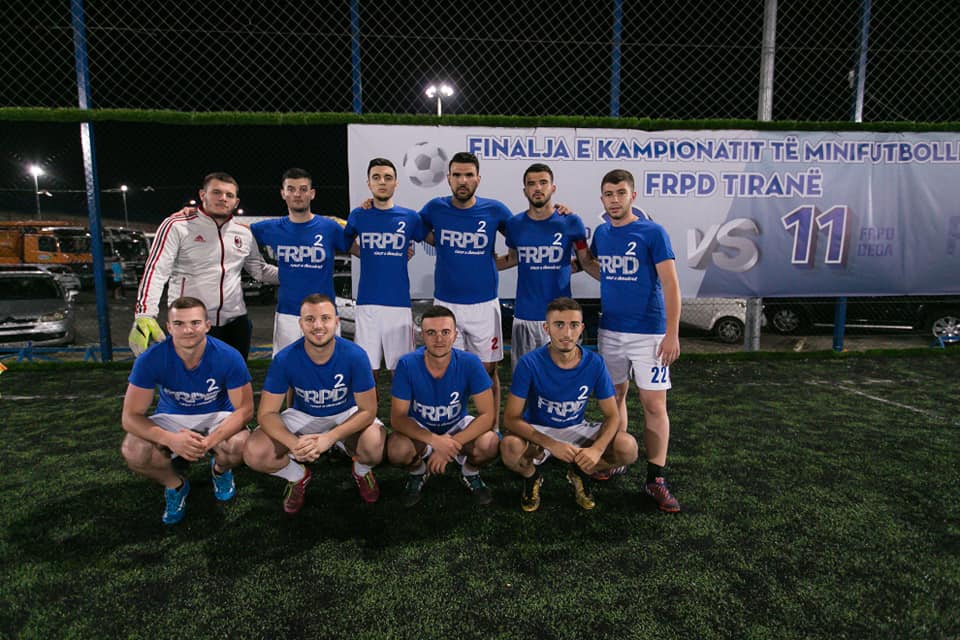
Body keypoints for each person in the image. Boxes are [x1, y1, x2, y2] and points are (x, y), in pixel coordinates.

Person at [580, 169, 683, 513]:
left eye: (620, 193)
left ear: (633, 196)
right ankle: (618, 457)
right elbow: (601, 270)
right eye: (608, 194)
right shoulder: (603, 235)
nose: (614, 200)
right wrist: (582, 257)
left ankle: (656, 478)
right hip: (611, 330)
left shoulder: (652, 232)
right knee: (616, 397)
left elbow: (670, 284)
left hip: (650, 333)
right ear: (602, 199)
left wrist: (672, 333)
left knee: (654, 405)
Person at [243, 294, 385, 512]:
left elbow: (368, 409)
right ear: (301, 324)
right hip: (304, 416)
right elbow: (267, 413)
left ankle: (362, 470)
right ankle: (298, 476)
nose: (318, 325)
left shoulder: (355, 355)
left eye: (325, 318)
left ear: (337, 322)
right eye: (310, 319)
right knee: (254, 452)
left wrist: (330, 438)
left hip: (344, 413)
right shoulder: (285, 358)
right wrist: (293, 443)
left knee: (374, 444)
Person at [120, 296, 253, 525]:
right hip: (172, 416)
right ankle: (176, 485)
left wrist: (210, 441)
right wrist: (170, 439)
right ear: (169, 327)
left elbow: (245, 410)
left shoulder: (229, 356)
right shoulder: (150, 359)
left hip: (217, 414)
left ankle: (220, 470)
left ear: (207, 325)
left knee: (241, 444)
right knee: (134, 450)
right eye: (179, 324)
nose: (188, 330)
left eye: (195, 323)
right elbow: (130, 417)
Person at [501, 297, 638, 511]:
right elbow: (510, 418)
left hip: (575, 427)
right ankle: (532, 477)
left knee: (628, 448)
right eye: (559, 325)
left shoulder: (595, 362)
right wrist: (550, 443)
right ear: (547, 328)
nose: (566, 333)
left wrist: (596, 449)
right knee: (510, 448)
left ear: (581, 328)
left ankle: (580, 471)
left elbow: (613, 416)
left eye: (573, 325)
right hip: (539, 428)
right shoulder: (530, 363)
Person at [130, 172, 278, 360]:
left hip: (236, 324)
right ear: (202, 195)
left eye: (229, 195)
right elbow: (156, 271)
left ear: (236, 202)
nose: (223, 198)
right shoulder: (177, 226)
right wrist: (145, 314)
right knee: (192, 386)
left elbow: (259, 270)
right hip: (191, 325)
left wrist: (298, 274)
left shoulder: (243, 233)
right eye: (216, 192)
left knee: (235, 383)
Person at [419, 152, 512, 426]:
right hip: (447, 306)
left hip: (484, 305)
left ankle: (491, 428)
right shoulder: (434, 208)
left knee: (487, 370)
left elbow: (525, 233)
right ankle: (450, 424)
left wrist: (499, 263)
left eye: (469, 175)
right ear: (448, 179)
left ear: (478, 179)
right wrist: (439, 242)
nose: (463, 180)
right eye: (457, 175)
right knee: (448, 368)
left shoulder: (495, 210)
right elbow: (414, 229)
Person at [386, 305, 499, 507]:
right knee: (396, 449)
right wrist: (435, 441)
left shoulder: (470, 362)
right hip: (421, 428)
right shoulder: (407, 363)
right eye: (431, 333)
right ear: (422, 336)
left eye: (445, 332)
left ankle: (470, 472)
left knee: (489, 443)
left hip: (456, 424)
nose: (439, 339)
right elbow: (398, 418)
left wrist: (451, 444)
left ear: (455, 335)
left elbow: (487, 415)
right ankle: (418, 472)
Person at [495, 163, 592, 371]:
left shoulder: (571, 222)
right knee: (525, 381)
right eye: (531, 184)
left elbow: (586, 261)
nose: (537, 188)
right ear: (525, 191)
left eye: (543, 183)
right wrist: (475, 261)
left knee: (563, 378)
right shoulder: (514, 224)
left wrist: (566, 267)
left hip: (562, 317)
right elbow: (512, 258)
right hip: (525, 317)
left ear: (553, 188)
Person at [250, 168, 350, 356]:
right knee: (287, 371)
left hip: (325, 314)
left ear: (312, 194)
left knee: (329, 368)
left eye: (303, 189)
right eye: (291, 189)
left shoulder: (329, 227)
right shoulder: (271, 228)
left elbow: (361, 249)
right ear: (283, 193)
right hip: (288, 313)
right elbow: (234, 231)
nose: (297, 194)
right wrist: (200, 214)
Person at [344, 158, 424, 382]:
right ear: (368, 183)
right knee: (368, 369)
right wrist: (366, 253)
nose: (382, 182)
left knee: (401, 369)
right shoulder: (359, 215)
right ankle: (370, 417)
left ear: (396, 183)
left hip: (397, 303)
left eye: (388, 178)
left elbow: (426, 239)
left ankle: (401, 416)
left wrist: (401, 251)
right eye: (376, 177)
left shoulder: (410, 217)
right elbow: (345, 242)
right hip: (367, 302)